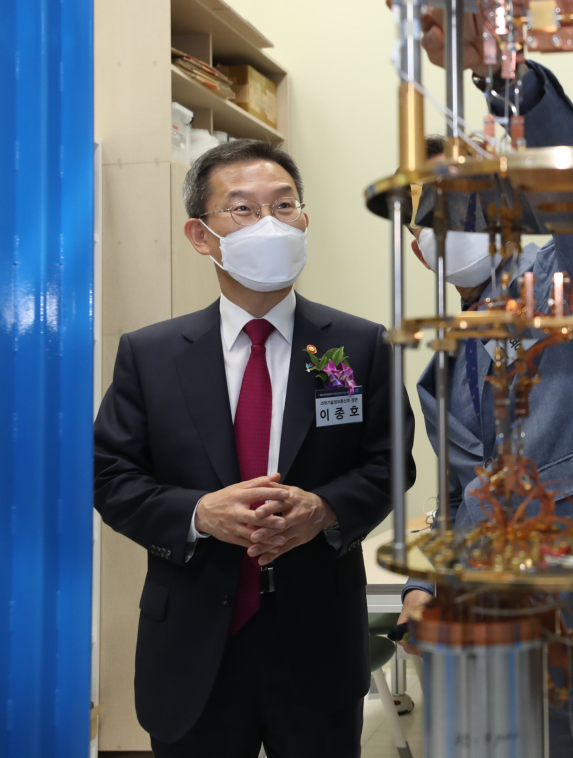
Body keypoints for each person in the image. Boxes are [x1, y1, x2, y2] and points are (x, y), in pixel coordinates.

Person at [93, 141, 416, 758]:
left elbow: (390, 462)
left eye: (284, 206)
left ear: (304, 220)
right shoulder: (150, 354)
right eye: (243, 209)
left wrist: (324, 509)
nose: (270, 224)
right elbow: (111, 476)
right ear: (201, 234)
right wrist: (198, 513)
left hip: (318, 637)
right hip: (192, 642)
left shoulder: (358, 346)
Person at [395, 8, 573, 758]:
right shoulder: (444, 365)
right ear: (417, 244)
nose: (451, 223)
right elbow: (458, 496)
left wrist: (512, 80)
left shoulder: (566, 283)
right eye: (433, 212)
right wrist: (425, 588)